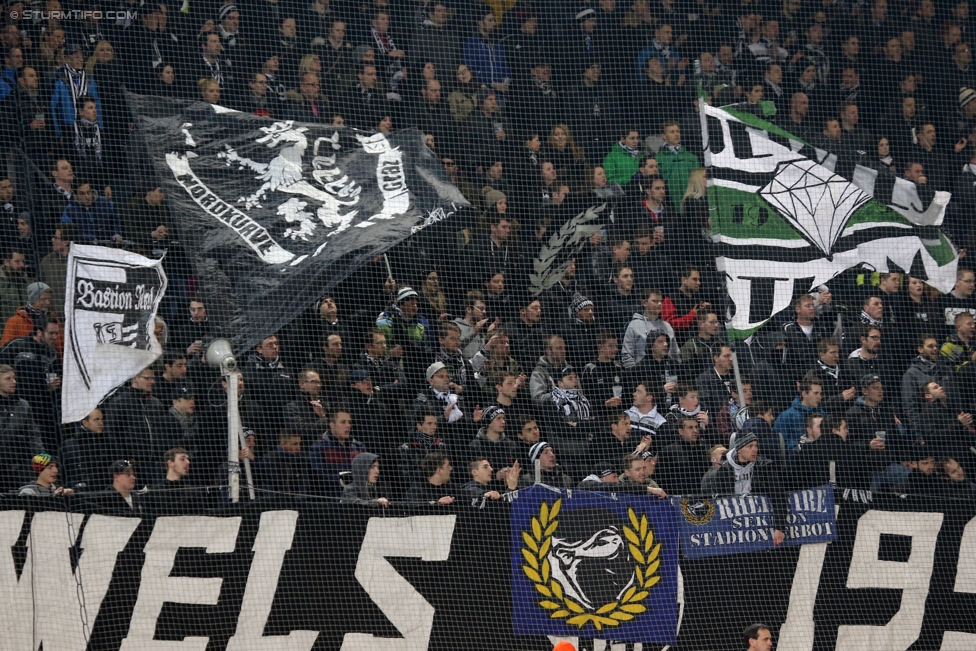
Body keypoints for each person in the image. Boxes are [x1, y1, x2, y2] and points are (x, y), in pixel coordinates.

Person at [701, 432, 787, 546]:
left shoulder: (764, 467)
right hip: (733, 528)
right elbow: (718, 500)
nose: (754, 449)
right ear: (739, 450)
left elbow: (778, 497)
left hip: (761, 525)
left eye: (756, 445)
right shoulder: (724, 470)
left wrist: (779, 527)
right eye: (749, 446)